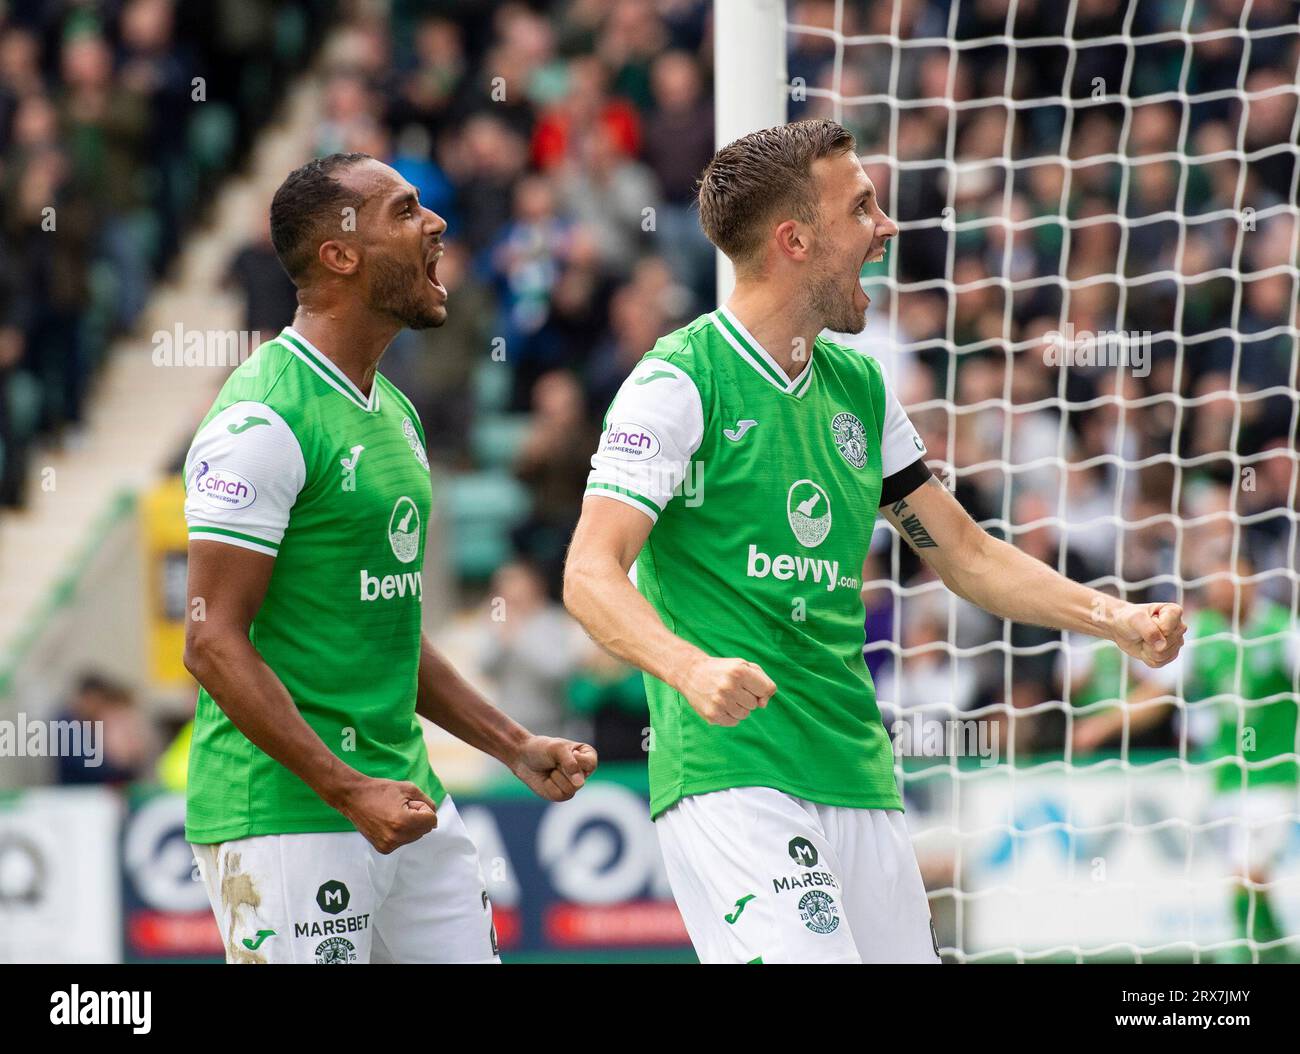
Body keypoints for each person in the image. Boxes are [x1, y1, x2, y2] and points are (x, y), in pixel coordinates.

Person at [563, 119, 1186, 964]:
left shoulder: (857, 385)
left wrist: (1110, 616)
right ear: (794, 239)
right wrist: (689, 667)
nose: (886, 227)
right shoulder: (679, 381)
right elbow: (590, 572)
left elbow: (963, 553)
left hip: (857, 770)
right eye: (862, 208)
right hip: (734, 772)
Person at [182, 153, 597, 964]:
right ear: (339, 254)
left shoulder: (395, 412)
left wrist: (513, 744)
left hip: (408, 799)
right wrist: (345, 788)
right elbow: (210, 641)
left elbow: (385, 627)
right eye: (404, 212)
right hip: (286, 814)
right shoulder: (263, 420)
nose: (435, 223)